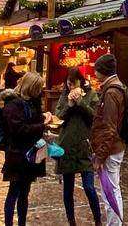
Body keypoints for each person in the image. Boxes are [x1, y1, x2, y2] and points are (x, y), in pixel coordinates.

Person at [2, 71, 51, 226]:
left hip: (31, 155)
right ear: (31, 87)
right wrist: (42, 125)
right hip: (17, 155)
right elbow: (19, 129)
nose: (40, 91)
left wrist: (45, 117)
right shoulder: (13, 104)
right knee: (14, 192)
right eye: (38, 88)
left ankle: (22, 223)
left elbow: (32, 121)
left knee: (25, 193)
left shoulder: (33, 102)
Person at [56, 67, 102, 226]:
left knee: (89, 187)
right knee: (67, 189)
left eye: (73, 84)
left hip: (84, 146)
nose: (71, 87)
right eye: (68, 84)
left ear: (80, 82)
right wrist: (69, 104)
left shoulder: (91, 94)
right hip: (66, 146)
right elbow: (59, 117)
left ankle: (98, 220)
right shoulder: (63, 95)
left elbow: (94, 116)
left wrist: (80, 102)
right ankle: (71, 221)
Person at [91, 53, 126, 226]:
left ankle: (114, 224)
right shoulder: (115, 87)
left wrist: (100, 155)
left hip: (111, 150)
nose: (94, 72)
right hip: (114, 147)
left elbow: (109, 128)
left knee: (110, 191)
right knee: (113, 189)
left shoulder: (111, 92)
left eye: (96, 69)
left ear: (102, 71)